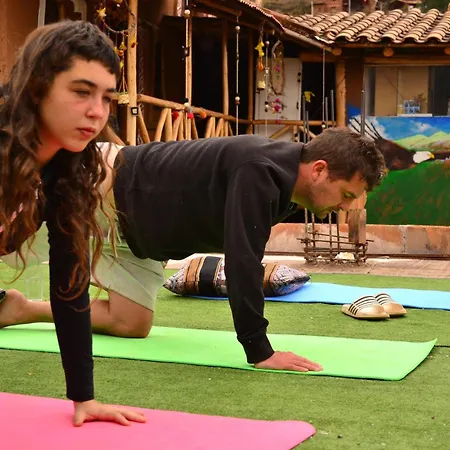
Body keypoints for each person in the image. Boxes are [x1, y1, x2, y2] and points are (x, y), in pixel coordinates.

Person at [1, 128, 386, 373]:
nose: (345, 206)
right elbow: (242, 261)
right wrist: (261, 351)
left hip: (138, 238)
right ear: (319, 169)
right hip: (103, 185)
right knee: (9, 239)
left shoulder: (286, 188)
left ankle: (20, 310)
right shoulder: (261, 170)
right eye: (346, 194)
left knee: (131, 323)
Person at [0, 21, 146, 426]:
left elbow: (69, 283)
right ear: (37, 87)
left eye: (106, 97)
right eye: (81, 91)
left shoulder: (67, 169)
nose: (97, 111)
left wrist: (84, 397)